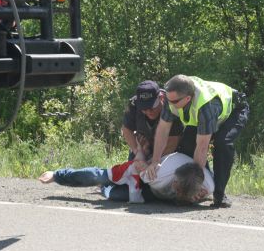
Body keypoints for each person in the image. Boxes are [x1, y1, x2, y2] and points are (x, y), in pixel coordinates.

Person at [145, 75, 249, 208]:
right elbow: (162, 130)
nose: (170, 105)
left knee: (222, 144)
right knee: (187, 144)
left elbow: (202, 147)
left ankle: (219, 194)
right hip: (205, 115)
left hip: (233, 111)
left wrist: (194, 185)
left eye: (174, 102)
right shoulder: (171, 98)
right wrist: (155, 160)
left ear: (187, 98)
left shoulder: (206, 106)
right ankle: (203, 183)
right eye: (168, 100)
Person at [38, 152, 214, 204]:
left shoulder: (208, 185)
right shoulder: (159, 175)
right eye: (177, 190)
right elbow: (137, 169)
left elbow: (206, 194)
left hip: (155, 197)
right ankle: (58, 175)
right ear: (174, 181)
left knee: (115, 196)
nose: (176, 193)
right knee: (97, 176)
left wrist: (202, 198)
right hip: (141, 179)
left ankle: (104, 190)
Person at [121, 80, 183, 161]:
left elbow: (173, 142)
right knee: (133, 168)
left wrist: (151, 163)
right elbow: (126, 129)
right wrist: (138, 151)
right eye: (144, 108)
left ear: (161, 98)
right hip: (142, 147)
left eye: (152, 107)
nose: (149, 111)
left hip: (169, 151)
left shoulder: (172, 106)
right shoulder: (133, 105)